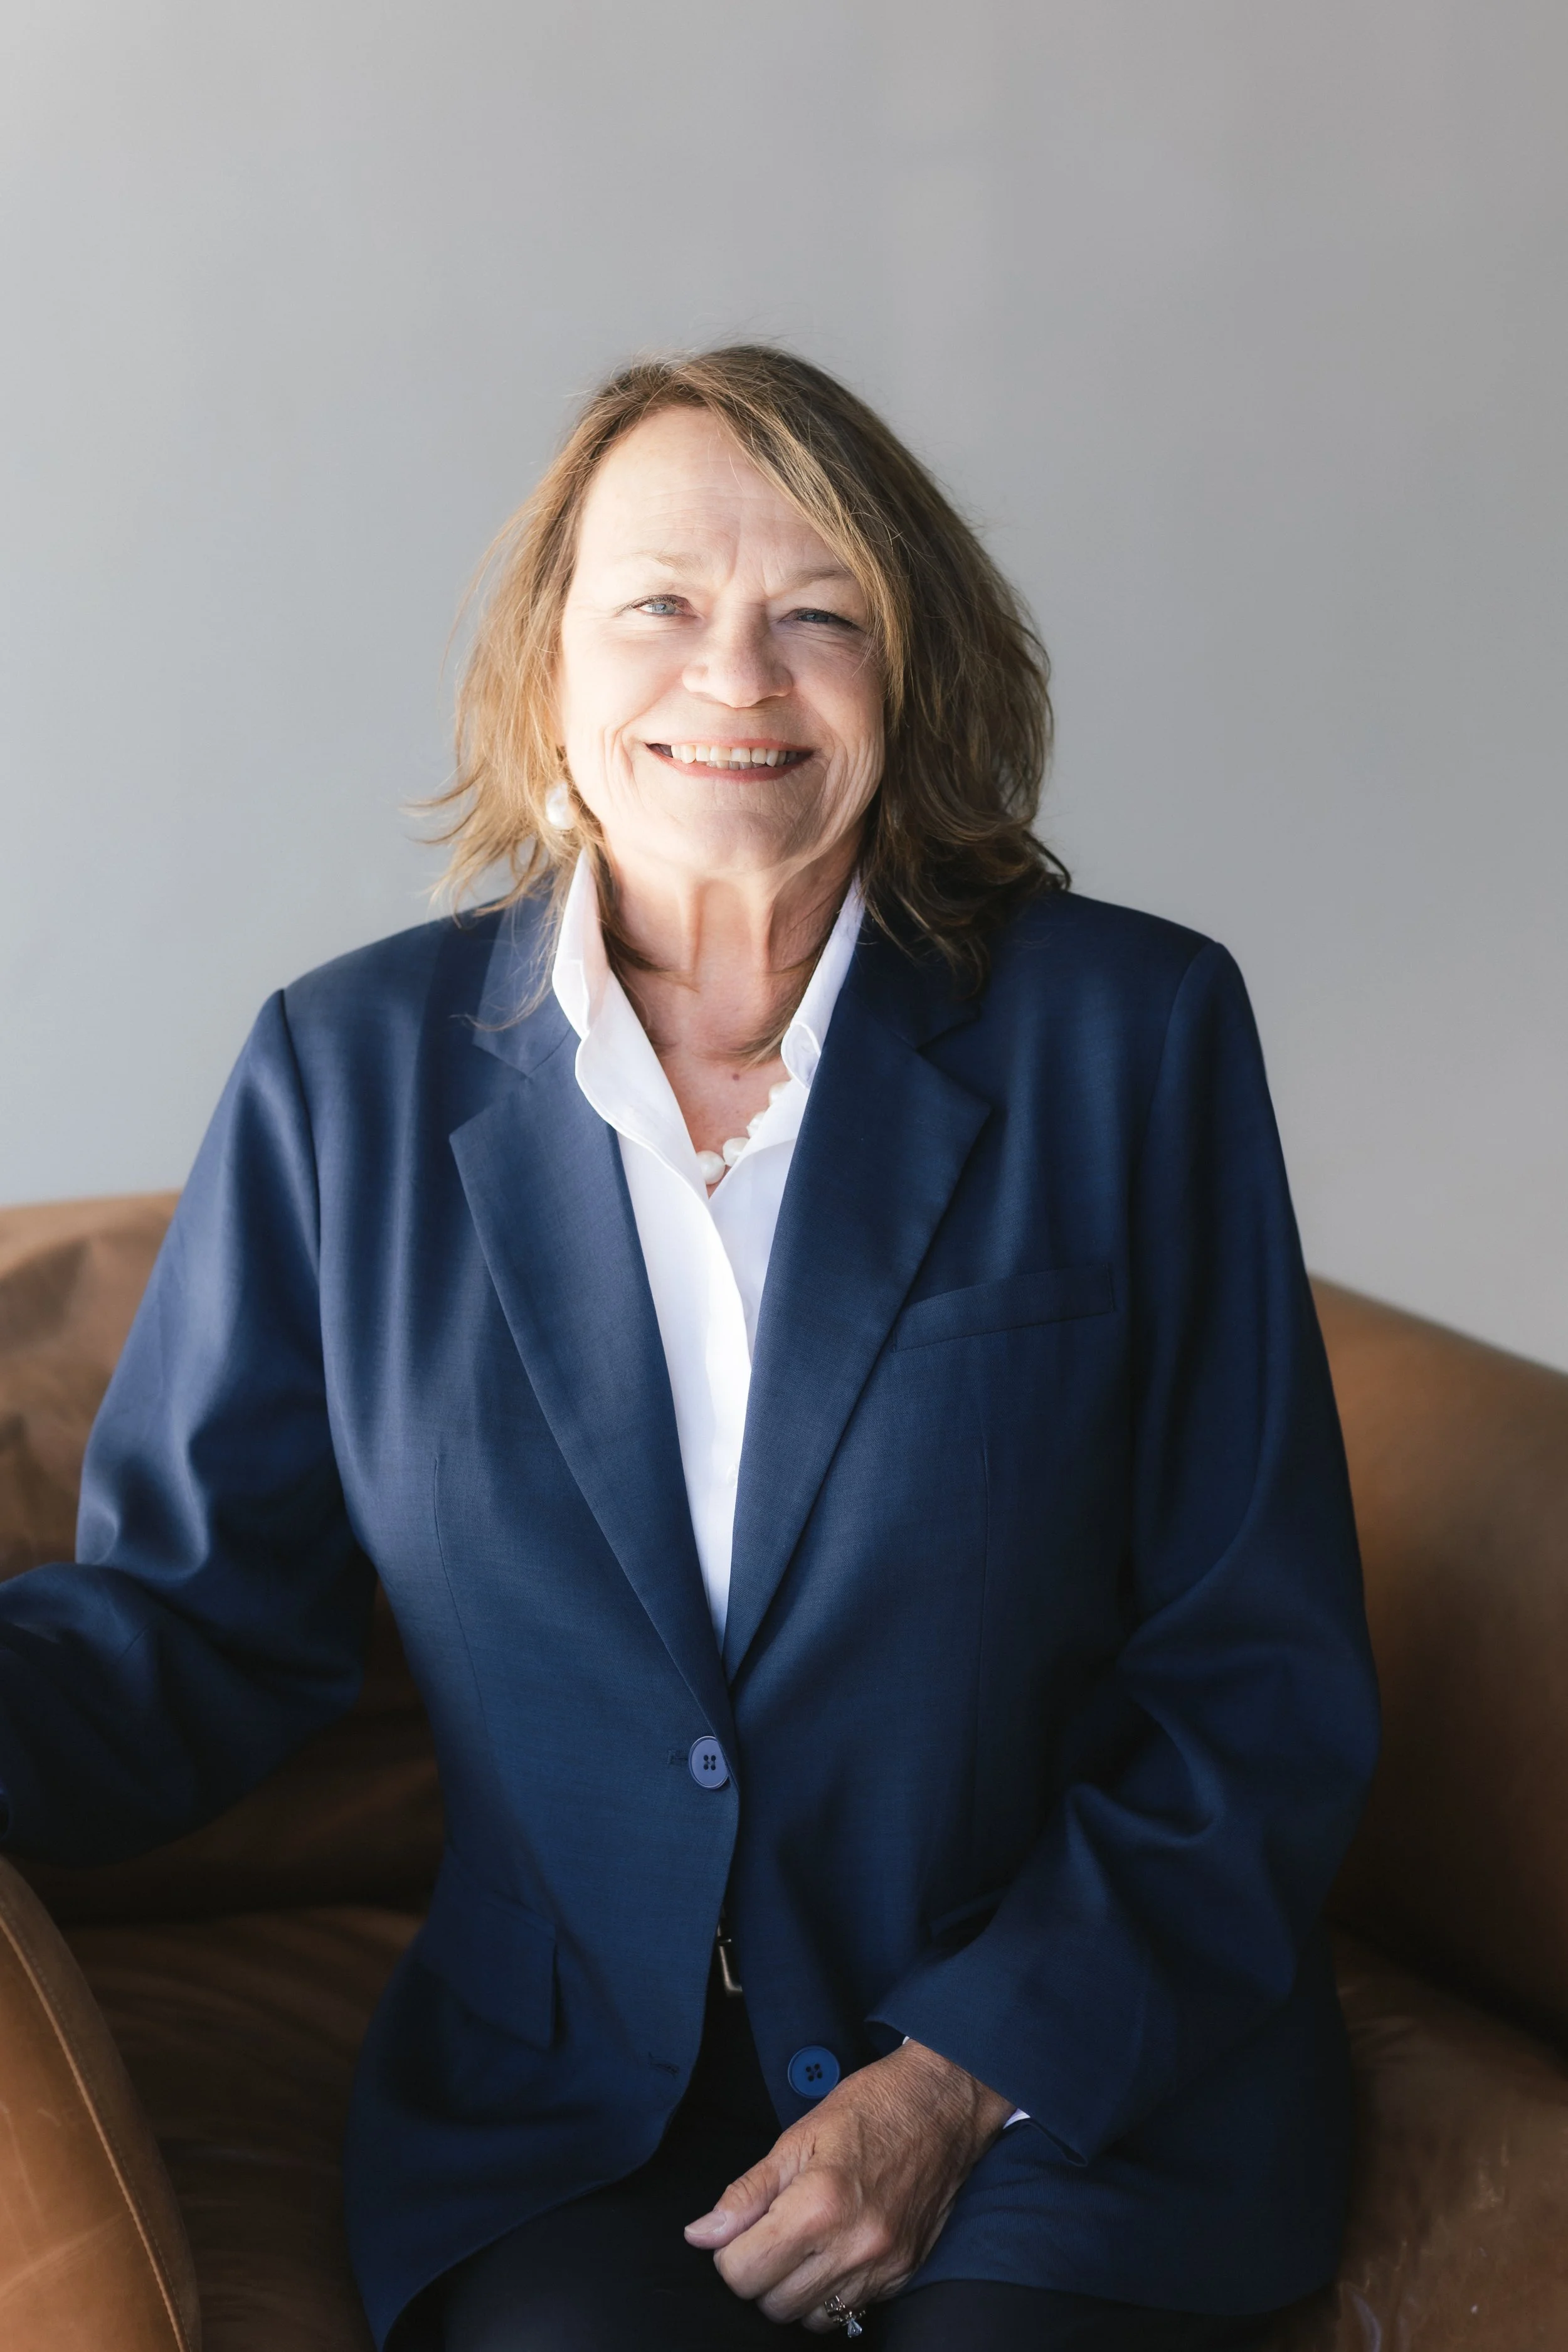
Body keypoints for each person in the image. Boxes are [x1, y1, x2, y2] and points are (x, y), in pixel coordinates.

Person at [0, 347, 1379, 2350]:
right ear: (546, 665)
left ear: (911, 676)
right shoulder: (347, 1074)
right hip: (575, 2107)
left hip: (1054, 2074)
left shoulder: (1129, 1041)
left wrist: (953, 2078)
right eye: (659, 605)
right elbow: (199, 1621)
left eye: (816, 615)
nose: (733, 679)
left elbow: (1253, 1669)